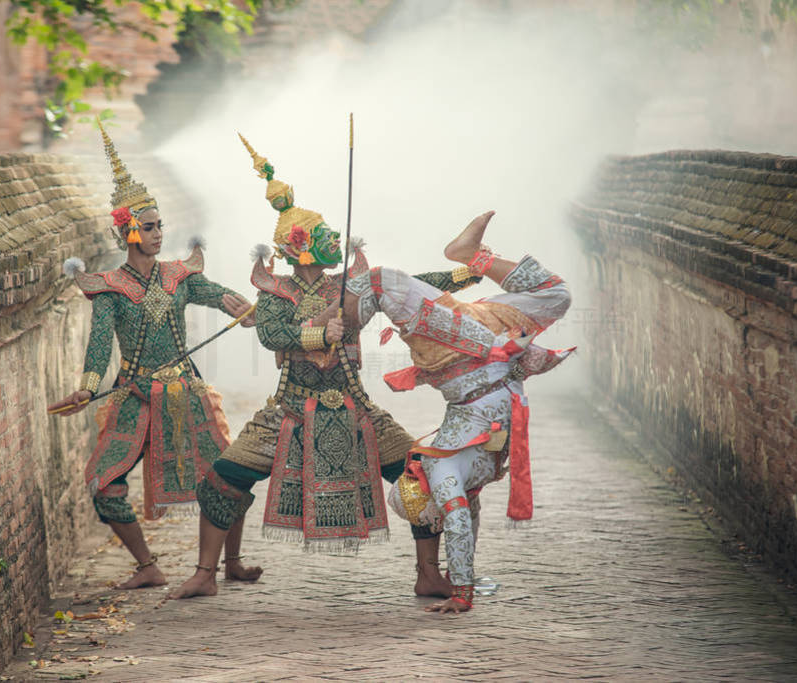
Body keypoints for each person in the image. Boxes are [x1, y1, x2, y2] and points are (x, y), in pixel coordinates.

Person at [170, 136, 483, 599]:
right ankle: (208, 572)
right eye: (323, 234)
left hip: (355, 408)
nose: (333, 238)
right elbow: (271, 335)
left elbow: (408, 286)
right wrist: (319, 335)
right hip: (290, 410)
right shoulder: (274, 291)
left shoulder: (352, 286)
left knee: (421, 475)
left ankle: (427, 573)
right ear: (300, 246)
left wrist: (465, 272)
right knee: (222, 479)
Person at [48, 124, 262, 589]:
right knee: (104, 485)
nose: (159, 233)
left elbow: (215, 293)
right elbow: (100, 342)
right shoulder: (108, 288)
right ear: (126, 231)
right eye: (148, 227)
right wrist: (86, 388)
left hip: (185, 389)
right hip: (135, 395)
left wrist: (247, 308)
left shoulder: (178, 276)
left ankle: (232, 562)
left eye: (161, 225)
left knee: (228, 479)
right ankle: (148, 567)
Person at [342, 209, 573, 613]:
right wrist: (461, 589)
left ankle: (342, 321)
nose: (446, 509)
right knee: (557, 295)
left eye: (414, 481)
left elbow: (460, 523)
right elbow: (466, 523)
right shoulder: (463, 479)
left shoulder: (444, 472)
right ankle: (472, 255)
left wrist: (338, 331)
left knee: (378, 282)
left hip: (458, 346)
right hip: (481, 352)